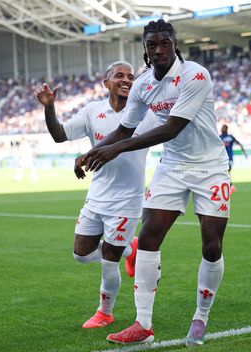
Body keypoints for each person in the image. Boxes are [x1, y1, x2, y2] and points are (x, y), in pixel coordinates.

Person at [81, 19, 230, 347]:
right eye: (152, 45)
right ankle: (143, 325)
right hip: (173, 166)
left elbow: (171, 128)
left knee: (211, 244)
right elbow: (124, 129)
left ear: (174, 44)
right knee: (148, 237)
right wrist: (91, 153)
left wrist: (115, 149)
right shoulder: (143, 84)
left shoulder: (195, 75)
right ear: (145, 50)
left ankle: (201, 316)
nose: (159, 50)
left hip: (210, 167)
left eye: (165, 43)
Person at [35, 61, 157, 329]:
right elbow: (59, 135)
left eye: (130, 76)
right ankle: (130, 248)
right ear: (106, 83)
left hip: (127, 200)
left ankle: (105, 312)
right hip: (97, 195)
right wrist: (49, 107)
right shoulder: (93, 111)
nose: (126, 80)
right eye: (119, 76)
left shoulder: (145, 113)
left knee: (108, 261)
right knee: (81, 254)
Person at [219, 124, 247, 190]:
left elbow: (239, 143)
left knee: (227, 170)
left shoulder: (230, 137)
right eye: (222, 128)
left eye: (223, 128)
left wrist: (244, 151)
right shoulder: (219, 137)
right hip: (221, 158)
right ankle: (228, 185)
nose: (222, 129)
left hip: (229, 157)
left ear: (226, 129)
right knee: (223, 172)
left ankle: (229, 185)